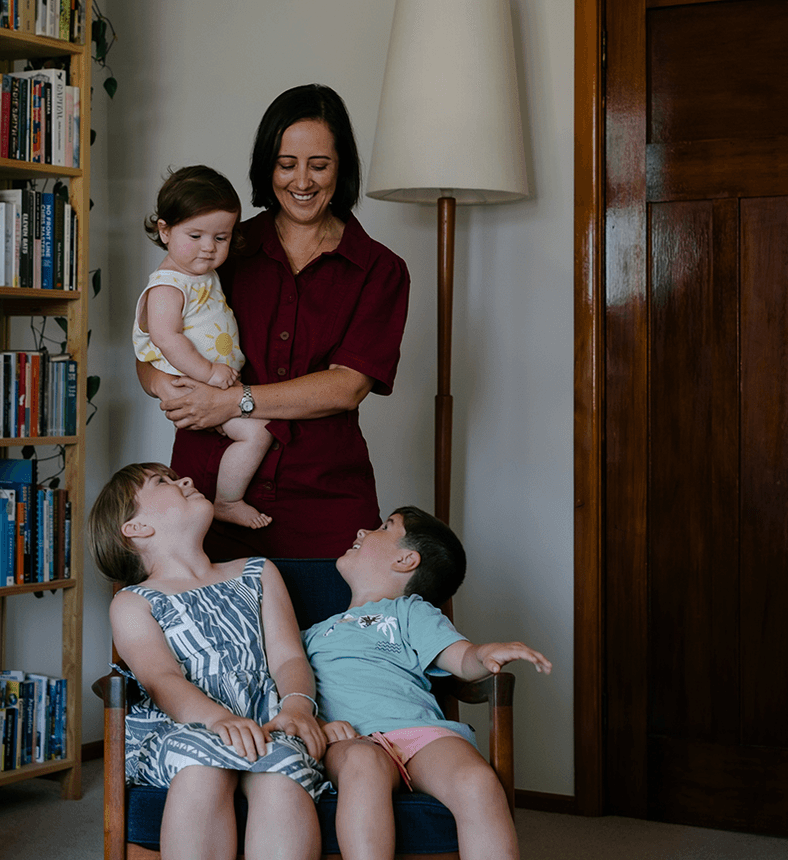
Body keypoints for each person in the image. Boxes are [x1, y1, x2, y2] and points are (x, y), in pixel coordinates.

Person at [136, 84, 410, 560]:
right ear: (267, 165)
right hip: (204, 504)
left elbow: (346, 387)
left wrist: (230, 403)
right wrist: (165, 385)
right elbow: (153, 346)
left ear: (341, 167)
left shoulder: (379, 269)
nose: (302, 181)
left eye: (319, 165)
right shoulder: (220, 246)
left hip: (324, 509)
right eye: (287, 164)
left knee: (338, 636)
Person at [89, 462, 327, 860]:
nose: (185, 480)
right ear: (136, 528)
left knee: (283, 770)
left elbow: (288, 656)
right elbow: (161, 679)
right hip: (183, 723)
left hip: (264, 721)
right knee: (201, 766)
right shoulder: (133, 602)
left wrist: (299, 706)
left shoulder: (257, 572)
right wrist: (216, 720)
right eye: (162, 482)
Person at [304, 506, 552, 860]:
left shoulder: (410, 611)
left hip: (419, 733)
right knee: (365, 765)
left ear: (406, 560)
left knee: (477, 782)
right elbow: (289, 689)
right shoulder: (313, 634)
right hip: (350, 737)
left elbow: (461, 659)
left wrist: (485, 653)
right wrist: (318, 725)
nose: (362, 530)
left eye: (383, 527)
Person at [133, 166, 273, 530]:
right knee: (258, 433)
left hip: (216, 387)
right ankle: (228, 500)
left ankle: (227, 498)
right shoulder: (167, 286)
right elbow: (166, 338)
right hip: (200, 385)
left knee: (257, 433)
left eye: (221, 238)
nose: (209, 247)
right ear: (164, 230)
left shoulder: (200, 275)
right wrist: (210, 373)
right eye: (195, 235)